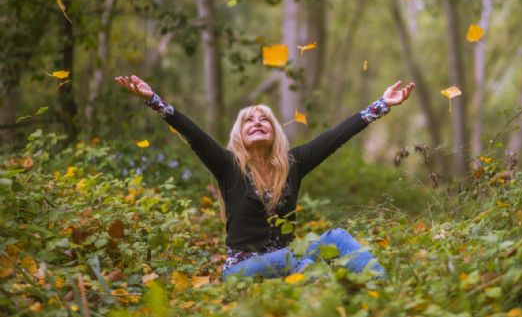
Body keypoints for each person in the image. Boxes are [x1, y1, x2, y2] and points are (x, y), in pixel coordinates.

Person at [115, 75, 414, 281]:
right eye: (249, 120)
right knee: (300, 260)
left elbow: (335, 137)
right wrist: (153, 99)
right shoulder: (228, 166)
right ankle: (319, 286)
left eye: (264, 119)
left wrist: (382, 104)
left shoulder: (293, 164)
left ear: (274, 133)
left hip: (289, 258)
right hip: (241, 268)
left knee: (334, 238)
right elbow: (193, 134)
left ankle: (379, 287)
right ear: (239, 135)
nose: (257, 122)